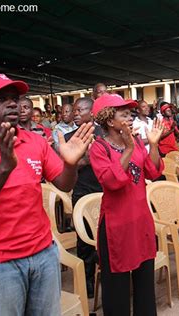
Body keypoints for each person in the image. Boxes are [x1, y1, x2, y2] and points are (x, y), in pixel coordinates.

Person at [0, 73, 94, 316]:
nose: (12, 103)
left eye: (14, 98)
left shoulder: (34, 141)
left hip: (43, 254)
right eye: (1, 98)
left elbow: (64, 184)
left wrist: (70, 165)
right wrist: (4, 167)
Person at [89, 93, 164, 315]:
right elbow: (112, 182)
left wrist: (153, 144)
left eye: (130, 114)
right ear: (110, 121)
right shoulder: (99, 148)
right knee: (117, 290)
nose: (130, 118)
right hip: (116, 228)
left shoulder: (139, 142)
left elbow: (153, 170)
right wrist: (129, 148)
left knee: (144, 285)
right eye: (124, 114)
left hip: (141, 222)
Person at [64, 97, 104, 298]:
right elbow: (66, 164)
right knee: (85, 242)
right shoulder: (70, 137)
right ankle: (88, 282)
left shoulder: (103, 133)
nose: (76, 113)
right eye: (75, 111)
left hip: (104, 192)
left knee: (106, 239)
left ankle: (107, 278)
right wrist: (84, 159)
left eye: (81, 110)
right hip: (81, 193)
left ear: (92, 112)